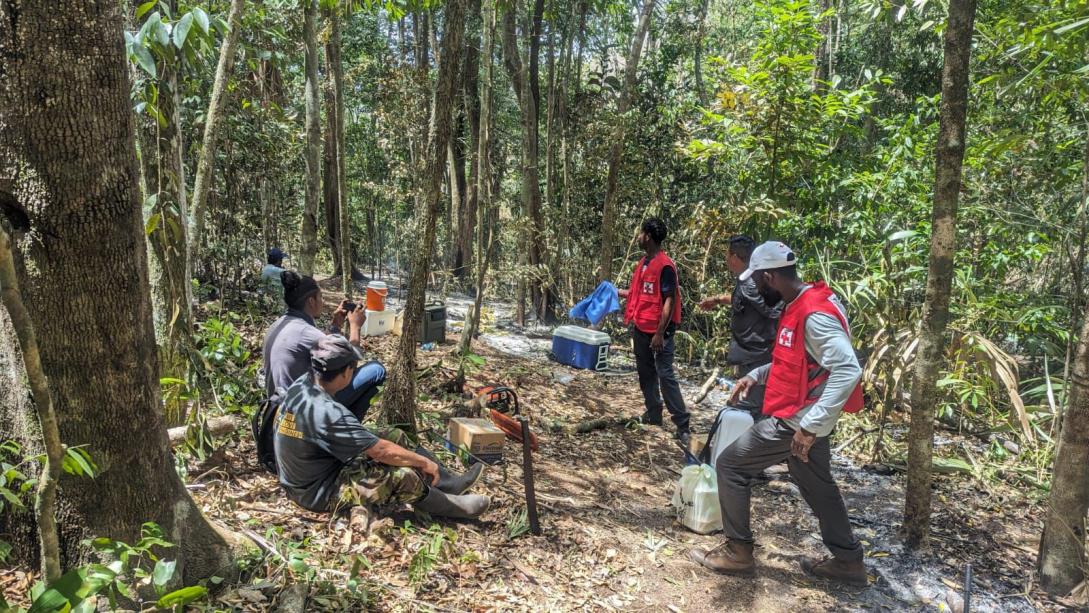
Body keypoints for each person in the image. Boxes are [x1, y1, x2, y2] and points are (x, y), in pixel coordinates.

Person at [689, 241, 867, 585]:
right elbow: (799, 359)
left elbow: (847, 369)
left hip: (797, 423)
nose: (753, 289)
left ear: (769, 277)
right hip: (807, 420)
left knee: (730, 465)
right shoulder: (804, 302)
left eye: (756, 282)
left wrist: (809, 427)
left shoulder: (813, 315)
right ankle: (848, 561)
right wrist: (757, 375)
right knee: (816, 485)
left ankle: (739, 552)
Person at [262, 271, 483, 493]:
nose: (322, 302)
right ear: (311, 301)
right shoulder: (307, 332)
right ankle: (350, 433)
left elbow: (327, 356)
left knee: (390, 430)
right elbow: (344, 362)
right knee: (376, 371)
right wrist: (355, 327)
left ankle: (446, 482)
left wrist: (336, 326)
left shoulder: (280, 324)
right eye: (320, 297)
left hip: (285, 410)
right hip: (308, 412)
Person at [274, 335, 491, 518]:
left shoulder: (303, 384)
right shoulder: (329, 412)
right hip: (317, 492)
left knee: (393, 435)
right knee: (402, 476)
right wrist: (424, 462)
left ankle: (448, 482)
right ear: (346, 373)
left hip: (310, 472)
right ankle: (451, 506)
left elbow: (383, 444)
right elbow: (381, 451)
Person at [619, 218, 691, 448]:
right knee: (646, 373)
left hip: (659, 332)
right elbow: (638, 293)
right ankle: (653, 413)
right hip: (641, 327)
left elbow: (670, 299)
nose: (638, 237)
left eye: (641, 233)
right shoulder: (643, 263)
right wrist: (615, 292)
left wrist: (660, 333)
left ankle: (682, 425)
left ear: (648, 236)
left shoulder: (665, 265)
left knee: (665, 375)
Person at [697, 235, 782, 419]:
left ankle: (746, 445)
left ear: (735, 257)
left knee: (749, 407)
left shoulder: (752, 283)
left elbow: (774, 312)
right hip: (752, 355)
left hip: (756, 356)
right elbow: (744, 301)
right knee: (751, 405)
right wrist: (718, 300)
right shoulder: (748, 280)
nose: (726, 259)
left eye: (727, 255)